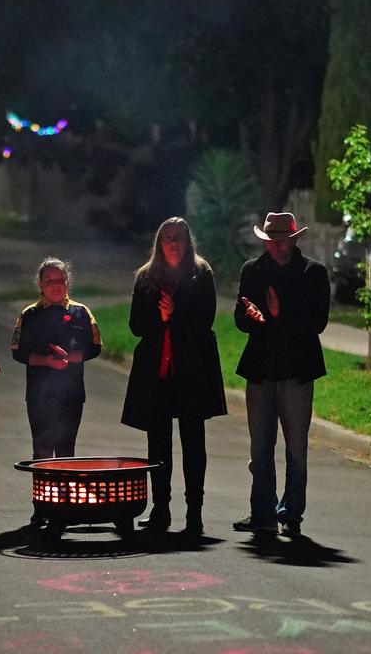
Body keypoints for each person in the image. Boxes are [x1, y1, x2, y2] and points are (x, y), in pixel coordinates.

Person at [121, 217, 227, 535]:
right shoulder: (146, 277)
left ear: (187, 241)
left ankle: (194, 512)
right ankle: (161, 509)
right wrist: (160, 317)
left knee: (193, 443)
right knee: (159, 444)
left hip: (191, 371)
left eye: (178, 237)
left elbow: (205, 321)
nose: (173, 243)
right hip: (157, 373)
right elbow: (136, 326)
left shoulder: (200, 274)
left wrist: (175, 315)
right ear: (159, 243)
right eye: (167, 237)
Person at [232, 211, 330, 537]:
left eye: (282, 240)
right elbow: (240, 319)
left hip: (296, 371)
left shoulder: (312, 273)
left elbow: (317, 322)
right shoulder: (253, 270)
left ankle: (291, 514)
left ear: (293, 239)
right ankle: (262, 511)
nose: (277, 246)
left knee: (295, 448)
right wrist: (252, 316)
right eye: (271, 240)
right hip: (260, 370)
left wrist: (278, 314)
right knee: (260, 447)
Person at [11, 258, 102, 522]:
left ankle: (64, 507)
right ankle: (41, 508)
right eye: (49, 281)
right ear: (40, 284)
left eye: (60, 280)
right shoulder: (29, 315)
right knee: (41, 451)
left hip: (71, 393)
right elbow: (18, 352)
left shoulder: (81, 313)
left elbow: (95, 346)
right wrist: (46, 361)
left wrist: (74, 357)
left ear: (67, 282)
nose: (56, 286)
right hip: (39, 394)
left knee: (66, 451)